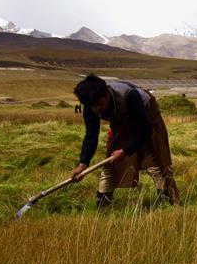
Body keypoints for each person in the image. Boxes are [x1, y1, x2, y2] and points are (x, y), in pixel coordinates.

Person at [71, 74, 179, 208]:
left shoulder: (130, 96)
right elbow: (91, 135)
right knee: (110, 163)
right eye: (94, 106)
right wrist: (83, 163)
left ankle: (166, 202)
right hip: (121, 124)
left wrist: (125, 151)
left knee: (154, 161)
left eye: (99, 103)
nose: (97, 108)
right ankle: (103, 205)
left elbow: (145, 129)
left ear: (106, 94)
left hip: (147, 118)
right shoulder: (90, 105)